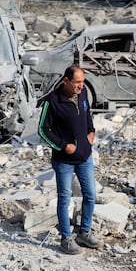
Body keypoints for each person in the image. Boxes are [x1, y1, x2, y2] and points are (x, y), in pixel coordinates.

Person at [38, 65, 102, 254]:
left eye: (82, 82)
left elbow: (87, 114)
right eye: (77, 82)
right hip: (63, 161)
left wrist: (91, 132)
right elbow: (43, 130)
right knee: (64, 199)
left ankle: (84, 232)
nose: (81, 86)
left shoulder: (82, 95)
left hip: (85, 157)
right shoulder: (52, 101)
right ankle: (66, 238)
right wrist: (63, 145)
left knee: (90, 195)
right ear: (66, 81)